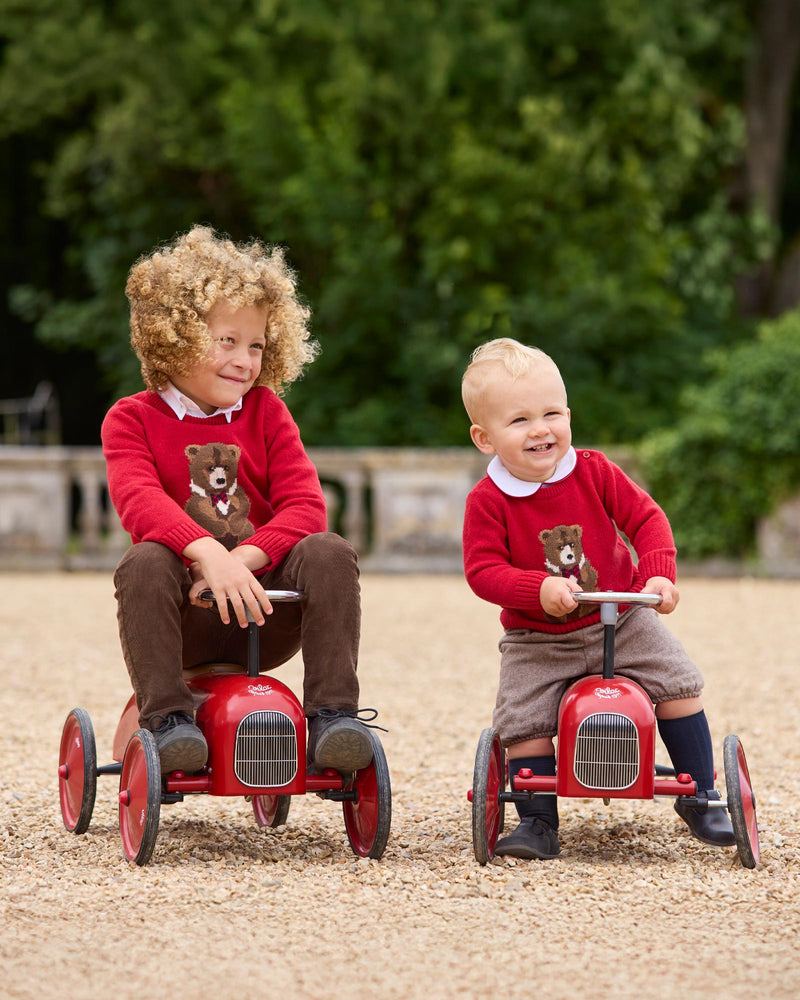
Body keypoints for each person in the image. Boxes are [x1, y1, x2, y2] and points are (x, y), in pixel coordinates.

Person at [103, 225, 377, 776]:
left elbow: (306, 506)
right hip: (184, 618)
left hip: (264, 611)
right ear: (173, 335)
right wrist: (207, 555)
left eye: (256, 345)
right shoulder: (130, 418)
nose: (245, 360)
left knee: (328, 548)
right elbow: (140, 501)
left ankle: (332, 717)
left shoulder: (267, 412)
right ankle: (168, 722)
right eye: (227, 340)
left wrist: (241, 563)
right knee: (143, 560)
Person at [461, 337, 735, 860]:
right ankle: (538, 821)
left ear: (568, 414)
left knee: (678, 681)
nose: (541, 429)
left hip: (622, 615)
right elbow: (482, 570)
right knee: (523, 717)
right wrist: (536, 588)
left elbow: (647, 520)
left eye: (551, 413)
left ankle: (701, 793)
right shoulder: (488, 500)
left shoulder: (594, 470)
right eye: (519, 421)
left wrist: (656, 577)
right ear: (485, 437)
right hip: (537, 635)